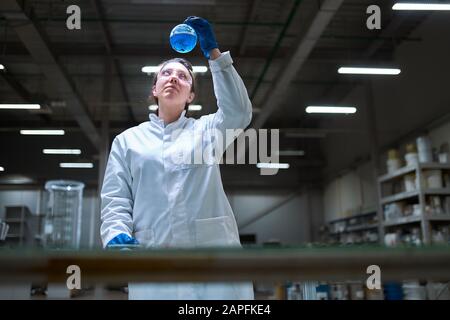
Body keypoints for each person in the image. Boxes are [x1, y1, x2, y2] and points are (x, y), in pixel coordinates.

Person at [100, 16, 254, 300]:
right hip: (155, 265)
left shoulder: (207, 130)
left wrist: (214, 56)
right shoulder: (127, 141)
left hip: (214, 265)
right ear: (155, 90)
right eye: (166, 74)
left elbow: (239, 113)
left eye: (183, 76)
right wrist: (115, 234)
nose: (174, 77)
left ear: (190, 95)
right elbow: (116, 199)